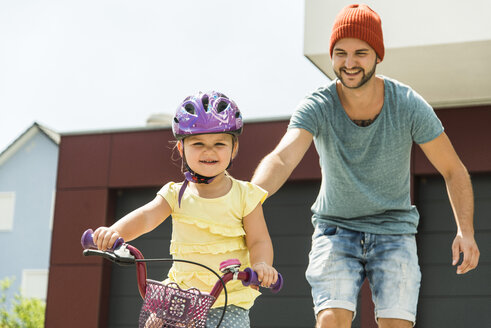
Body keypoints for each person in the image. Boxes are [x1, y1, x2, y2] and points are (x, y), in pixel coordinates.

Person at [251, 4, 479, 328]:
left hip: (394, 230)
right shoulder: (318, 105)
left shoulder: (408, 104)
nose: (349, 63)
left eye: (360, 53)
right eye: (340, 53)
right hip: (334, 228)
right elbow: (283, 157)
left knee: (396, 324)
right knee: (331, 319)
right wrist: (245, 198)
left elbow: (453, 169)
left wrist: (466, 231)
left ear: (377, 55)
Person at [93, 91, 278, 328]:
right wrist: (114, 233)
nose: (208, 151)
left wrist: (261, 265)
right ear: (181, 149)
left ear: (234, 149)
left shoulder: (245, 195)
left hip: (228, 302)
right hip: (180, 297)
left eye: (219, 144)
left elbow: (259, 241)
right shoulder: (175, 194)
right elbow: (147, 217)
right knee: (153, 324)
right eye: (198, 143)